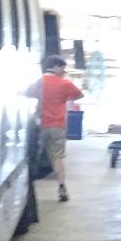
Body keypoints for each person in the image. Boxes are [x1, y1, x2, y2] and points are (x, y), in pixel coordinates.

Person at [27, 55, 83, 201]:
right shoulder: (64, 83)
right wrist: (63, 97)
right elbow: (79, 95)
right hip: (58, 125)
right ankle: (62, 187)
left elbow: (28, 93)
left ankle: (28, 188)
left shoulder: (40, 81)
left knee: (33, 156)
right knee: (57, 157)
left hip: (40, 125)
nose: (64, 71)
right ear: (56, 66)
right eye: (62, 68)